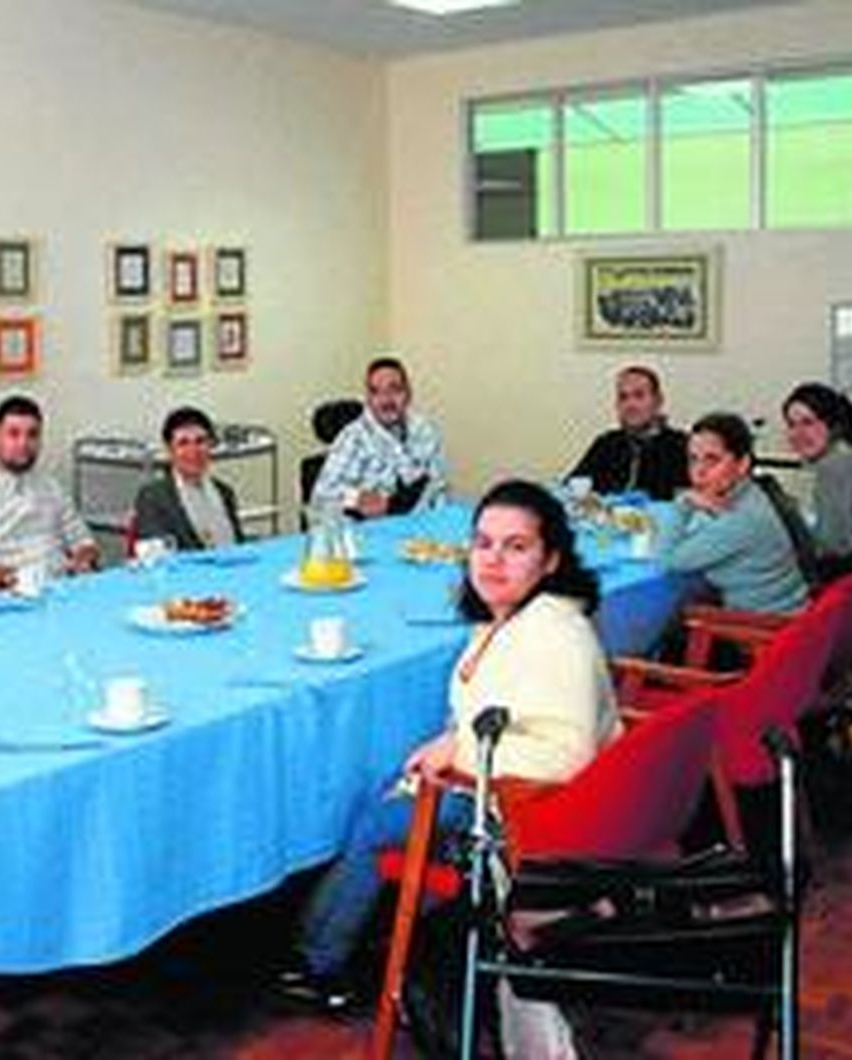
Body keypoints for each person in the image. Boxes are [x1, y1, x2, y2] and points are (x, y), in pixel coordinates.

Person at [285, 480, 617, 1057]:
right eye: (483, 543)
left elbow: (566, 756)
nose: (492, 559)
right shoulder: (521, 618)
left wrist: (458, 756)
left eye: (515, 547)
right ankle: (334, 944)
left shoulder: (552, 634)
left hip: (521, 820)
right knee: (381, 794)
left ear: (552, 558)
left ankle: (320, 963)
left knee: (373, 823)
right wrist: (452, 740)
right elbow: (504, 710)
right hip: (509, 795)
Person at [0, 394, 99, 591]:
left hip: (62, 588)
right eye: (13, 434)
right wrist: (16, 578)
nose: (23, 444)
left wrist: (83, 559)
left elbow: (83, 541)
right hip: (9, 595)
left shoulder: (50, 486)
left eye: (32, 435)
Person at [658, 413, 810, 614]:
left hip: (763, 631)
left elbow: (667, 561)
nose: (699, 471)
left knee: (661, 616)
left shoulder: (741, 521)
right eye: (693, 459)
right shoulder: (753, 493)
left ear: (742, 464)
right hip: (794, 614)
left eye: (712, 460)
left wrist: (682, 504)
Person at [782, 382, 852, 576]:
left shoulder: (835, 468)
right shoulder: (850, 459)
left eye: (808, 423)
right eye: (791, 425)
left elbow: (835, 547)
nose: (797, 434)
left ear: (833, 425)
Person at [311, 356, 448, 519]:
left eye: (395, 389)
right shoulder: (353, 438)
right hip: (370, 531)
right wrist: (356, 499)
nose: (386, 400)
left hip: (418, 525)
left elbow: (438, 487)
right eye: (376, 392)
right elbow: (321, 497)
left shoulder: (425, 431)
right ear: (368, 400)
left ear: (408, 394)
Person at [568, 365, 689, 500]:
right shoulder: (606, 443)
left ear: (658, 401)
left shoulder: (682, 446)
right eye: (623, 397)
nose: (630, 405)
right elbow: (571, 487)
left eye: (639, 396)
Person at [132, 406, 245, 551]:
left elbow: (239, 546)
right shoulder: (153, 498)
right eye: (183, 443)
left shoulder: (225, 492)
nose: (193, 451)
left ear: (210, 445)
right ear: (169, 450)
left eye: (200, 441)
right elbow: (158, 560)